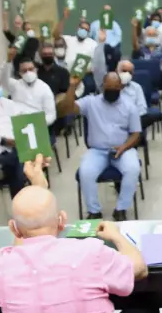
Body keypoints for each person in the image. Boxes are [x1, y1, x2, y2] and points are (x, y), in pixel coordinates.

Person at [0, 155, 155, 313]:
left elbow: (21, 243)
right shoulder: (89, 251)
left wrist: (38, 186)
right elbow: (139, 269)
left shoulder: (2, 262)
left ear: (13, 229)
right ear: (62, 221)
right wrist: (117, 236)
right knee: (145, 307)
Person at [60, 73, 141, 221]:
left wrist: (124, 147)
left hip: (122, 149)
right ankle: (94, 211)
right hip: (97, 150)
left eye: (115, 88)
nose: (112, 91)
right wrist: (72, 86)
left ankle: (121, 209)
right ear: (103, 87)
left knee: (133, 169)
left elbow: (136, 133)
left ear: (121, 87)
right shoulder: (91, 102)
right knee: (86, 171)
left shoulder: (130, 106)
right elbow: (67, 108)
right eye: (108, 88)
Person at [0, 53, 56, 126]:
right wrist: (8, 61)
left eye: (30, 69)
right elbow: (4, 80)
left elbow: (51, 114)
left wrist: (38, 123)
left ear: (36, 70)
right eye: (24, 70)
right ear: (20, 73)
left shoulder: (45, 88)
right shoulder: (15, 85)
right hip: (19, 124)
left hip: (39, 125)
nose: (28, 72)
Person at [53, 7, 98, 89]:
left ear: (88, 32)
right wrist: (64, 18)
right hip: (66, 74)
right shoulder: (69, 39)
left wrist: (80, 72)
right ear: (78, 28)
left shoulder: (93, 44)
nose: (83, 31)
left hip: (83, 76)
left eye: (86, 30)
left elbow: (96, 65)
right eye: (82, 28)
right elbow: (56, 35)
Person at [131, 26, 162, 100]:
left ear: (157, 37)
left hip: (158, 80)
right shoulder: (140, 48)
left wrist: (157, 71)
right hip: (142, 80)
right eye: (149, 35)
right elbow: (134, 44)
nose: (151, 37)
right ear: (145, 36)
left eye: (153, 35)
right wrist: (134, 28)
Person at [2, 12, 39, 77]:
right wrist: (5, 18)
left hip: (29, 70)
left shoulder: (34, 41)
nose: (30, 31)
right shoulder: (17, 39)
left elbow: (27, 53)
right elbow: (6, 32)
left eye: (30, 29)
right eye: (27, 29)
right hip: (17, 71)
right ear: (23, 31)